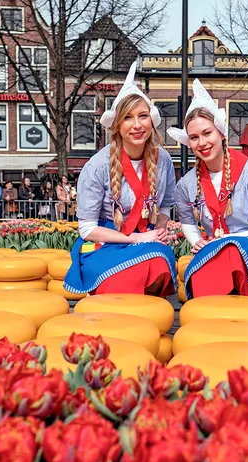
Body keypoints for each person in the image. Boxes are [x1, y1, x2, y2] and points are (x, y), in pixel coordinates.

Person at [63, 62, 177, 297]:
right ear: (116, 125)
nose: (137, 125)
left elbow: (165, 204)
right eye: (128, 118)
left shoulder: (163, 159)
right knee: (120, 278)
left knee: (159, 262)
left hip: (147, 237)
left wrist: (161, 229)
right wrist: (137, 237)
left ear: (151, 120)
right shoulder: (96, 166)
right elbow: (87, 228)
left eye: (142, 116)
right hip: (108, 241)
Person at [169, 78, 248, 299]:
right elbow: (188, 223)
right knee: (208, 272)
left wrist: (225, 241)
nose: (202, 142)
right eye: (194, 137)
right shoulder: (186, 185)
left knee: (232, 254)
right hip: (215, 250)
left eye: (207, 133)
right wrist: (196, 241)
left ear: (220, 133)